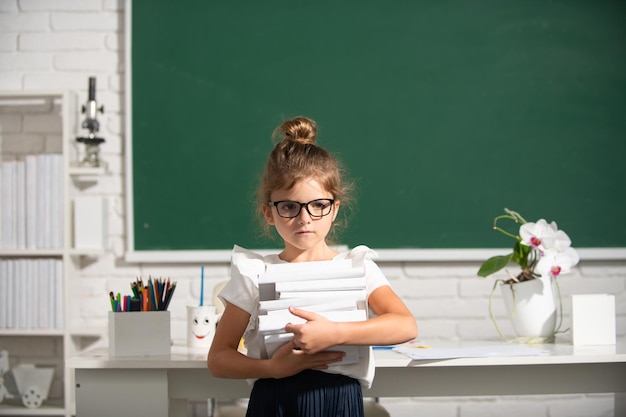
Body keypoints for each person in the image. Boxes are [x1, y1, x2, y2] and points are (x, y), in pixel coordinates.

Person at [207, 116, 417, 417]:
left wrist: (334, 333)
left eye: (318, 205)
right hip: (274, 398)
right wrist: (272, 368)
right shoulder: (254, 273)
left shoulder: (357, 267)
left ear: (334, 209)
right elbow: (218, 359)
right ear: (269, 212)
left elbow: (405, 325)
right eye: (290, 206)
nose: (304, 219)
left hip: (338, 401)